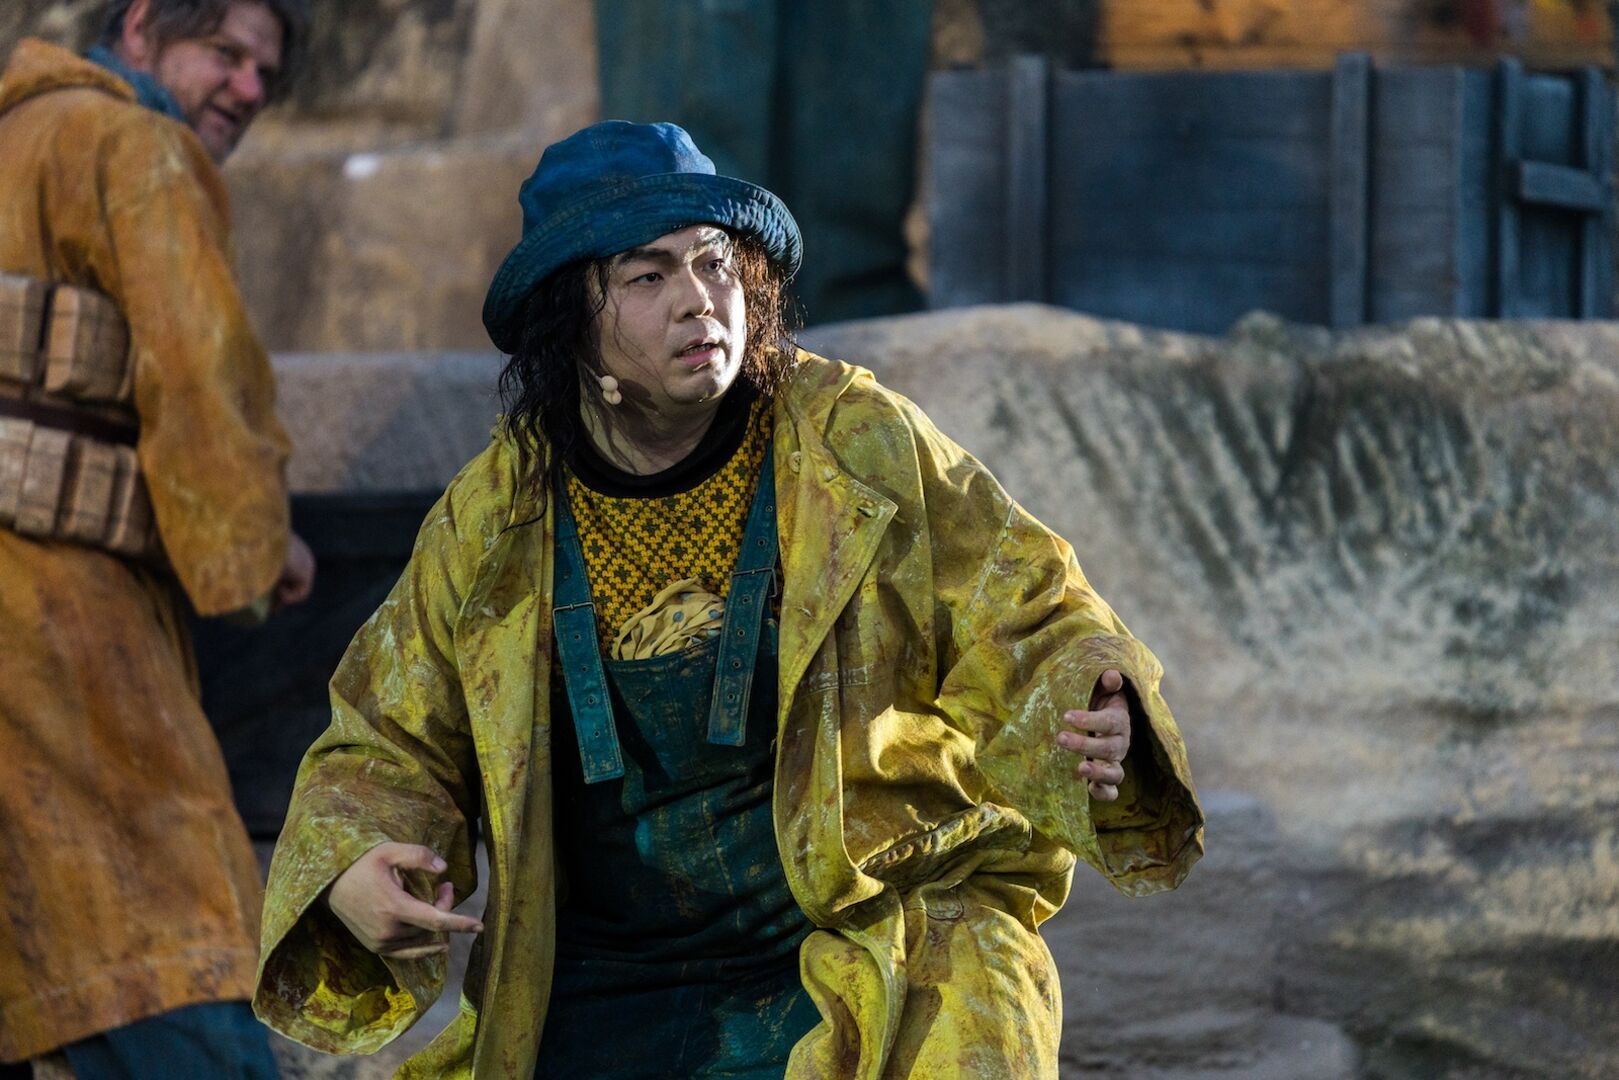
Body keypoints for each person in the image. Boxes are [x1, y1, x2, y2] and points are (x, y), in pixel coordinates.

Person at [254, 120, 1204, 1078]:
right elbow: (386, 738)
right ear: (568, 323)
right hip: (604, 973)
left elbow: (1028, 606)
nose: (698, 299)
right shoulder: (494, 517)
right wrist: (357, 863)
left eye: (714, 263)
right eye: (646, 276)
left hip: (873, 924)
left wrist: (1088, 699)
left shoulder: (855, 444)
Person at [0, 1, 312, 1076]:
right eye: (224, 53)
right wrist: (257, 551)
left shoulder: (14, 138)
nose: (248, 89)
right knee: (170, 951)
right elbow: (200, 378)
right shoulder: (137, 148)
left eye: (264, 73)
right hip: (66, 629)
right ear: (140, 27)